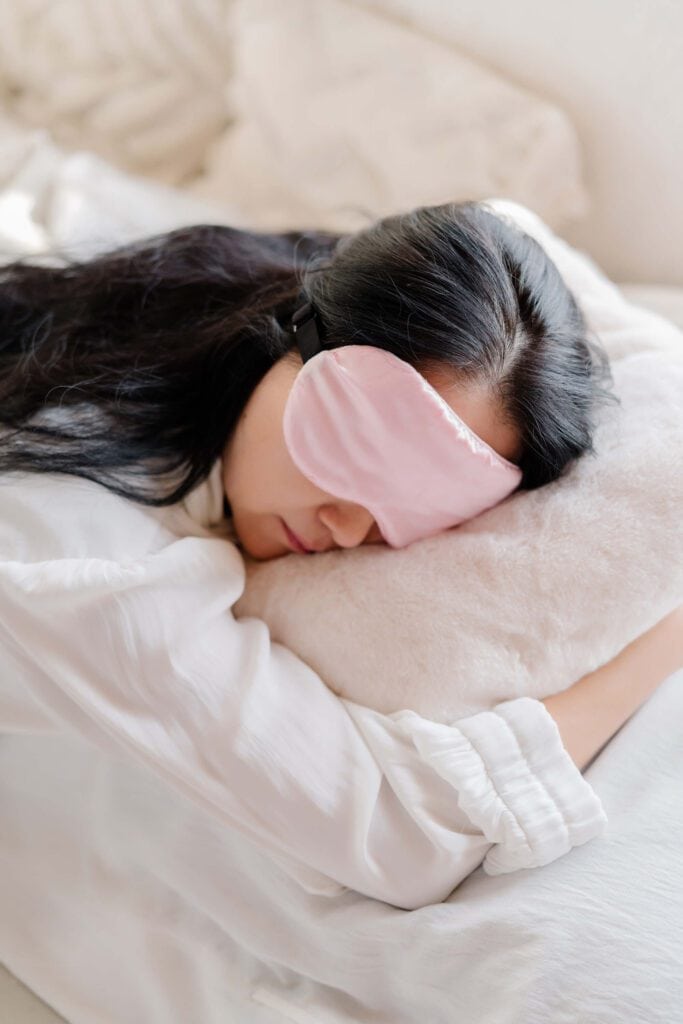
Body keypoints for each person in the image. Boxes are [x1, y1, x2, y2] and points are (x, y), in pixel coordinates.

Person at [0, 201, 681, 910]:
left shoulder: (258, 318)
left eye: (427, 500)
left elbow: (506, 226)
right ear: (297, 332)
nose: (353, 530)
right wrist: (666, 634)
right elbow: (404, 841)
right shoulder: (89, 566)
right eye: (362, 451)